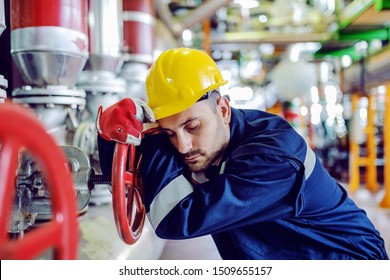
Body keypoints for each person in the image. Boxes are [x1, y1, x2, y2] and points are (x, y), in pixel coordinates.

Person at [96, 47, 388, 260]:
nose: (182, 146)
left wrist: (157, 138)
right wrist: (113, 134)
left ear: (223, 109)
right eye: (170, 133)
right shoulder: (209, 143)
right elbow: (128, 180)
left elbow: (175, 219)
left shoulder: (271, 158)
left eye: (192, 126)